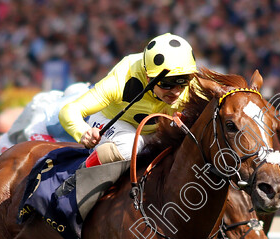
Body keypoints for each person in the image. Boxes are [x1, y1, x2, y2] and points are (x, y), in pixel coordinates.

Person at [58, 33, 205, 169]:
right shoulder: (122, 80)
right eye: (167, 84)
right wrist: (83, 132)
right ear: (148, 78)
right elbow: (68, 111)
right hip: (110, 122)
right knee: (130, 146)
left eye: (183, 82)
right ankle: (79, 177)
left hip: (152, 134)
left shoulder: (192, 84)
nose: (176, 92)